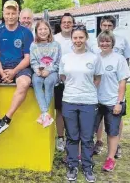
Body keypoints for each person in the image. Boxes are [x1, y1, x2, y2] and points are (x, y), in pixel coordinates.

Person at [0, 0, 34, 140]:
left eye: (13, 13)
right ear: (3, 14)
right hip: (1, 66)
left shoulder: (26, 33)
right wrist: (3, 72)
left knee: (23, 83)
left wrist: (14, 71)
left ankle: (6, 119)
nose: (10, 16)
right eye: (7, 13)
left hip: (20, 66)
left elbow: (27, 58)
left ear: (18, 14)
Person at [59, 25, 103, 182]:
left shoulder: (94, 58)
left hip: (89, 102)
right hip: (69, 101)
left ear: (86, 38)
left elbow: (97, 78)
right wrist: (75, 89)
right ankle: (72, 165)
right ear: (72, 39)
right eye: (75, 37)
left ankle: (87, 166)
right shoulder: (65, 58)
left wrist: (87, 89)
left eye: (81, 37)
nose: (78, 40)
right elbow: (63, 78)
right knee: (71, 136)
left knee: (87, 137)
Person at [93, 15, 130, 158]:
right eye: (102, 42)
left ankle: (111, 157)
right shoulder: (95, 58)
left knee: (113, 130)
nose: (104, 43)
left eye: (108, 41)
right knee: (93, 128)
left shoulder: (119, 58)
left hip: (113, 100)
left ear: (112, 42)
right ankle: (97, 144)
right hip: (96, 99)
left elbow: (122, 81)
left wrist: (119, 102)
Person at [30, 20, 61, 128]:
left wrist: (49, 70)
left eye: (45, 29)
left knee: (48, 82)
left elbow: (58, 62)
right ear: (36, 31)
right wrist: (37, 70)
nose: (43, 31)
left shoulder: (56, 45)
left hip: (52, 71)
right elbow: (33, 61)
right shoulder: (34, 45)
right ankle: (45, 114)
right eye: (40, 29)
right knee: (36, 81)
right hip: (39, 70)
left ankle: (44, 113)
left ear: (49, 30)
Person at [53, 13, 75, 152]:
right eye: (64, 22)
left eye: (69, 22)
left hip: (76, 81)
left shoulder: (78, 38)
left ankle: (72, 138)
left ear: (73, 24)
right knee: (60, 110)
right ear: (60, 24)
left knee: (73, 111)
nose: (67, 24)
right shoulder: (55, 39)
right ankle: (60, 137)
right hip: (59, 80)